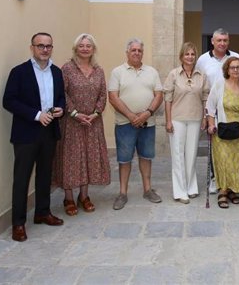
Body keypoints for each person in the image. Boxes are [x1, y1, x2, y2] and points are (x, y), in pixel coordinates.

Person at [2, 32, 65, 242]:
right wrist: (37, 115)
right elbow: (9, 101)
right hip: (26, 133)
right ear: (32, 48)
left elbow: (60, 98)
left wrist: (60, 110)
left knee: (45, 175)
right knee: (22, 178)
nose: (44, 50)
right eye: (40, 46)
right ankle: (18, 223)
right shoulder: (19, 72)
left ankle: (42, 212)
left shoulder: (56, 72)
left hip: (49, 132)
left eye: (48, 46)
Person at [53, 33, 110, 216]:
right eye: (81, 45)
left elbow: (103, 94)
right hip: (72, 123)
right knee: (71, 159)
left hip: (93, 123)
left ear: (93, 49)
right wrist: (75, 113)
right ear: (75, 48)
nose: (85, 48)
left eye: (88, 46)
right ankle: (69, 197)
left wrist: (95, 113)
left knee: (89, 158)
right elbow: (62, 94)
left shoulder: (98, 70)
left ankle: (84, 196)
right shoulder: (67, 69)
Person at [108, 38, 164, 209]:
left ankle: (148, 190)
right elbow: (113, 96)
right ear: (127, 52)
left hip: (148, 123)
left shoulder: (152, 72)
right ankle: (122, 193)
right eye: (133, 50)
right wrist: (132, 116)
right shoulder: (118, 72)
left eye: (139, 50)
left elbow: (159, 95)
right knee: (124, 159)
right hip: (125, 123)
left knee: (146, 157)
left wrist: (146, 113)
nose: (136, 53)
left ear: (142, 53)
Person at [205, 57, 239, 208]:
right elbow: (210, 107)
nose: (235, 70)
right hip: (222, 132)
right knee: (224, 162)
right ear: (227, 69)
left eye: (238, 67)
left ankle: (234, 190)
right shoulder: (219, 85)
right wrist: (211, 125)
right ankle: (223, 191)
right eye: (232, 67)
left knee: (237, 162)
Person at [195, 28, 239, 193]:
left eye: (225, 40)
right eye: (219, 40)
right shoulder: (202, 60)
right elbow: (199, 85)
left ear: (228, 41)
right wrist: (205, 114)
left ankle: (231, 180)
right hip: (212, 108)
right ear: (212, 42)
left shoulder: (235, 57)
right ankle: (215, 179)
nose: (222, 43)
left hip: (232, 108)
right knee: (214, 145)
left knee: (232, 144)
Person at [163, 42, 210, 204]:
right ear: (181, 56)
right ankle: (180, 190)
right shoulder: (174, 74)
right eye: (187, 54)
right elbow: (167, 99)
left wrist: (205, 117)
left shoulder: (201, 75)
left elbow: (205, 98)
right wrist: (168, 121)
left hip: (195, 119)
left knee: (191, 154)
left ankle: (191, 187)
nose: (190, 57)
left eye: (192, 54)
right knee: (178, 155)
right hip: (177, 119)